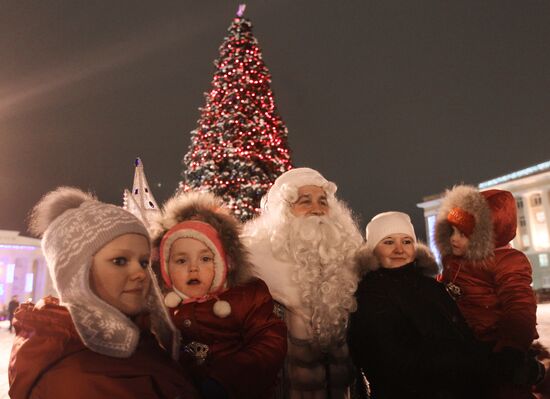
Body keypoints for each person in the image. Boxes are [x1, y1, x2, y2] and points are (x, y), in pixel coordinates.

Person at [9, 187, 199, 399]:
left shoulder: (138, 337)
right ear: (76, 273)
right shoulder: (78, 378)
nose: (140, 273)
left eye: (144, 262)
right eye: (120, 261)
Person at [152, 191, 287, 399]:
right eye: (181, 261)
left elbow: (269, 343)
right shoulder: (163, 305)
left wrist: (226, 379)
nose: (193, 269)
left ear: (225, 262)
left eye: (205, 259)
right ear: (165, 267)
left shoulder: (246, 295)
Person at [243, 167, 363, 399]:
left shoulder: (349, 254)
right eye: (305, 202)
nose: (317, 210)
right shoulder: (258, 260)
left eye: (322, 201)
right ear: (286, 211)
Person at [435, 185, 543, 397]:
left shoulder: (508, 261)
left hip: (496, 347)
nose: (454, 239)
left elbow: (519, 305)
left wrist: (511, 348)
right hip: (464, 347)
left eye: (464, 234)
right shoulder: (453, 261)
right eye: (452, 231)